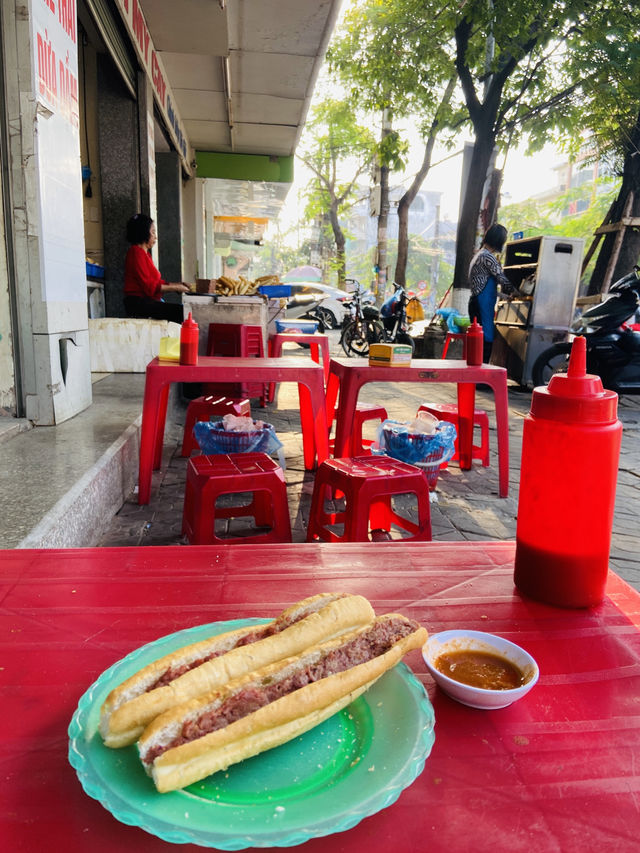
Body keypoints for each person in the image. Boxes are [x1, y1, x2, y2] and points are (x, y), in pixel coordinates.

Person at [124, 213, 191, 324]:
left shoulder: (145, 254)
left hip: (146, 302)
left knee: (184, 311)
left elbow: (156, 282)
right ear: (144, 232)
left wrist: (177, 285)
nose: (155, 236)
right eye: (153, 232)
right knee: (182, 313)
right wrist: (175, 288)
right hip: (138, 303)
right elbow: (149, 287)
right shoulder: (136, 253)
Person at [468, 223, 516, 362]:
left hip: (478, 303)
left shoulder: (479, 255)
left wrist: (504, 296)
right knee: (485, 340)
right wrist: (517, 292)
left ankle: (478, 380)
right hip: (481, 305)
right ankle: (481, 381)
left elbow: (485, 287)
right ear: (499, 241)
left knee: (481, 340)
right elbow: (501, 278)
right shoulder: (487, 257)